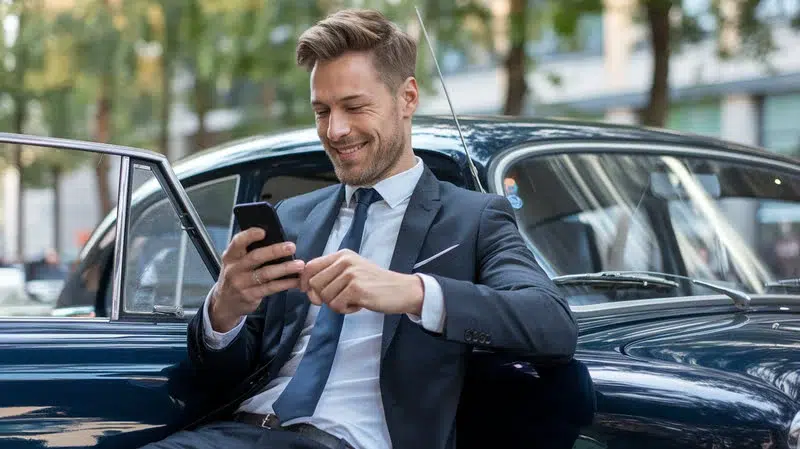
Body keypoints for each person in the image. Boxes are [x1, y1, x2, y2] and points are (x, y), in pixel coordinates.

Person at [141, 8, 577, 449]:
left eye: (354, 106)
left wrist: (411, 291)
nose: (336, 130)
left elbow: (552, 324)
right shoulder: (293, 217)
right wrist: (225, 310)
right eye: (322, 111)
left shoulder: (473, 219)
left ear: (407, 98)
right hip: (233, 432)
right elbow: (217, 378)